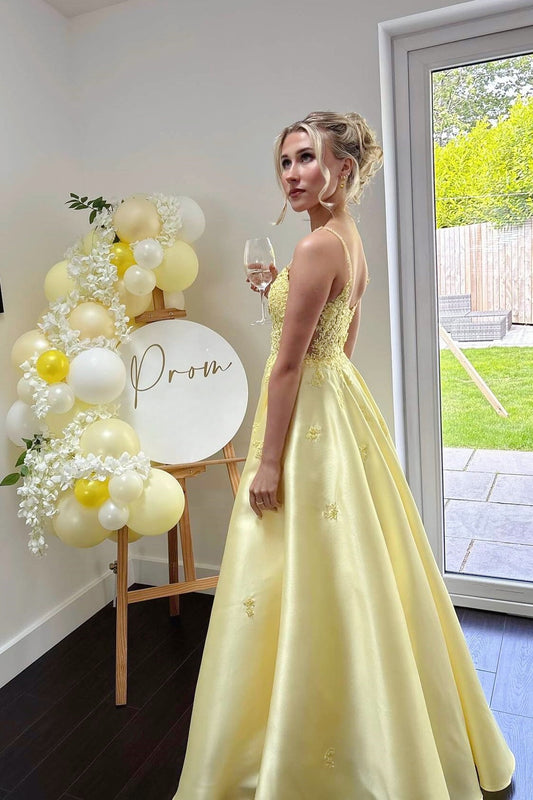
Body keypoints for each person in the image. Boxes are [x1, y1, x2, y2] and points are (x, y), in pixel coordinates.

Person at [173, 111, 515, 799]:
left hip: (304, 407)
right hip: (338, 399)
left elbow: (287, 366)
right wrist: (276, 290)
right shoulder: (344, 239)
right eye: (284, 162)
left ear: (343, 169)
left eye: (306, 158)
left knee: (296, 556)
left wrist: (269, 462)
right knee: (357, 557)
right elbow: (342, 333)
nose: (291, 174)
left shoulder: (314, 248)